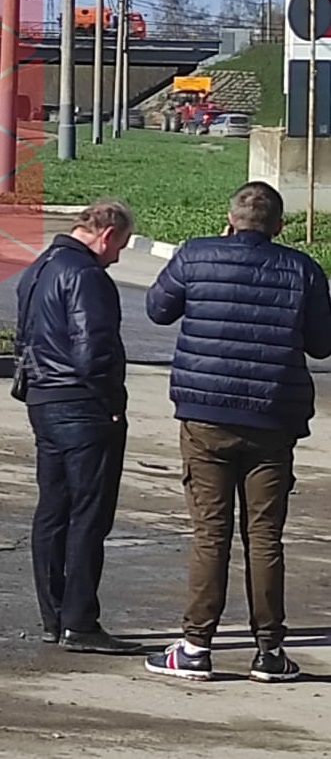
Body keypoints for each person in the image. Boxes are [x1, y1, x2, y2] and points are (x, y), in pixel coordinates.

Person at [144, 181, 331, 683]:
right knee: (265, 537)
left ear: (228, 221)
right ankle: (270, 652)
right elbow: (321, 345)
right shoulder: (303, 270)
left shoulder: (196, 256)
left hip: (205, 418)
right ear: (278, 228)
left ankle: (196, 647)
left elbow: (158, 309)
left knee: (211, 533)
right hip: (273, 420)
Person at [15, 199, 143, 654]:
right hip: (84, 407)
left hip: (43, 400)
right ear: (106, 234)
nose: (119, 257)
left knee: (53, 510)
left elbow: (24, 339)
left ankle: (54, 617)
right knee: (89, 516)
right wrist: (113, 403)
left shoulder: (39, 267)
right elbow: (95, 352)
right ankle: (81, 621)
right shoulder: (88, 277)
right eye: (121, 246)